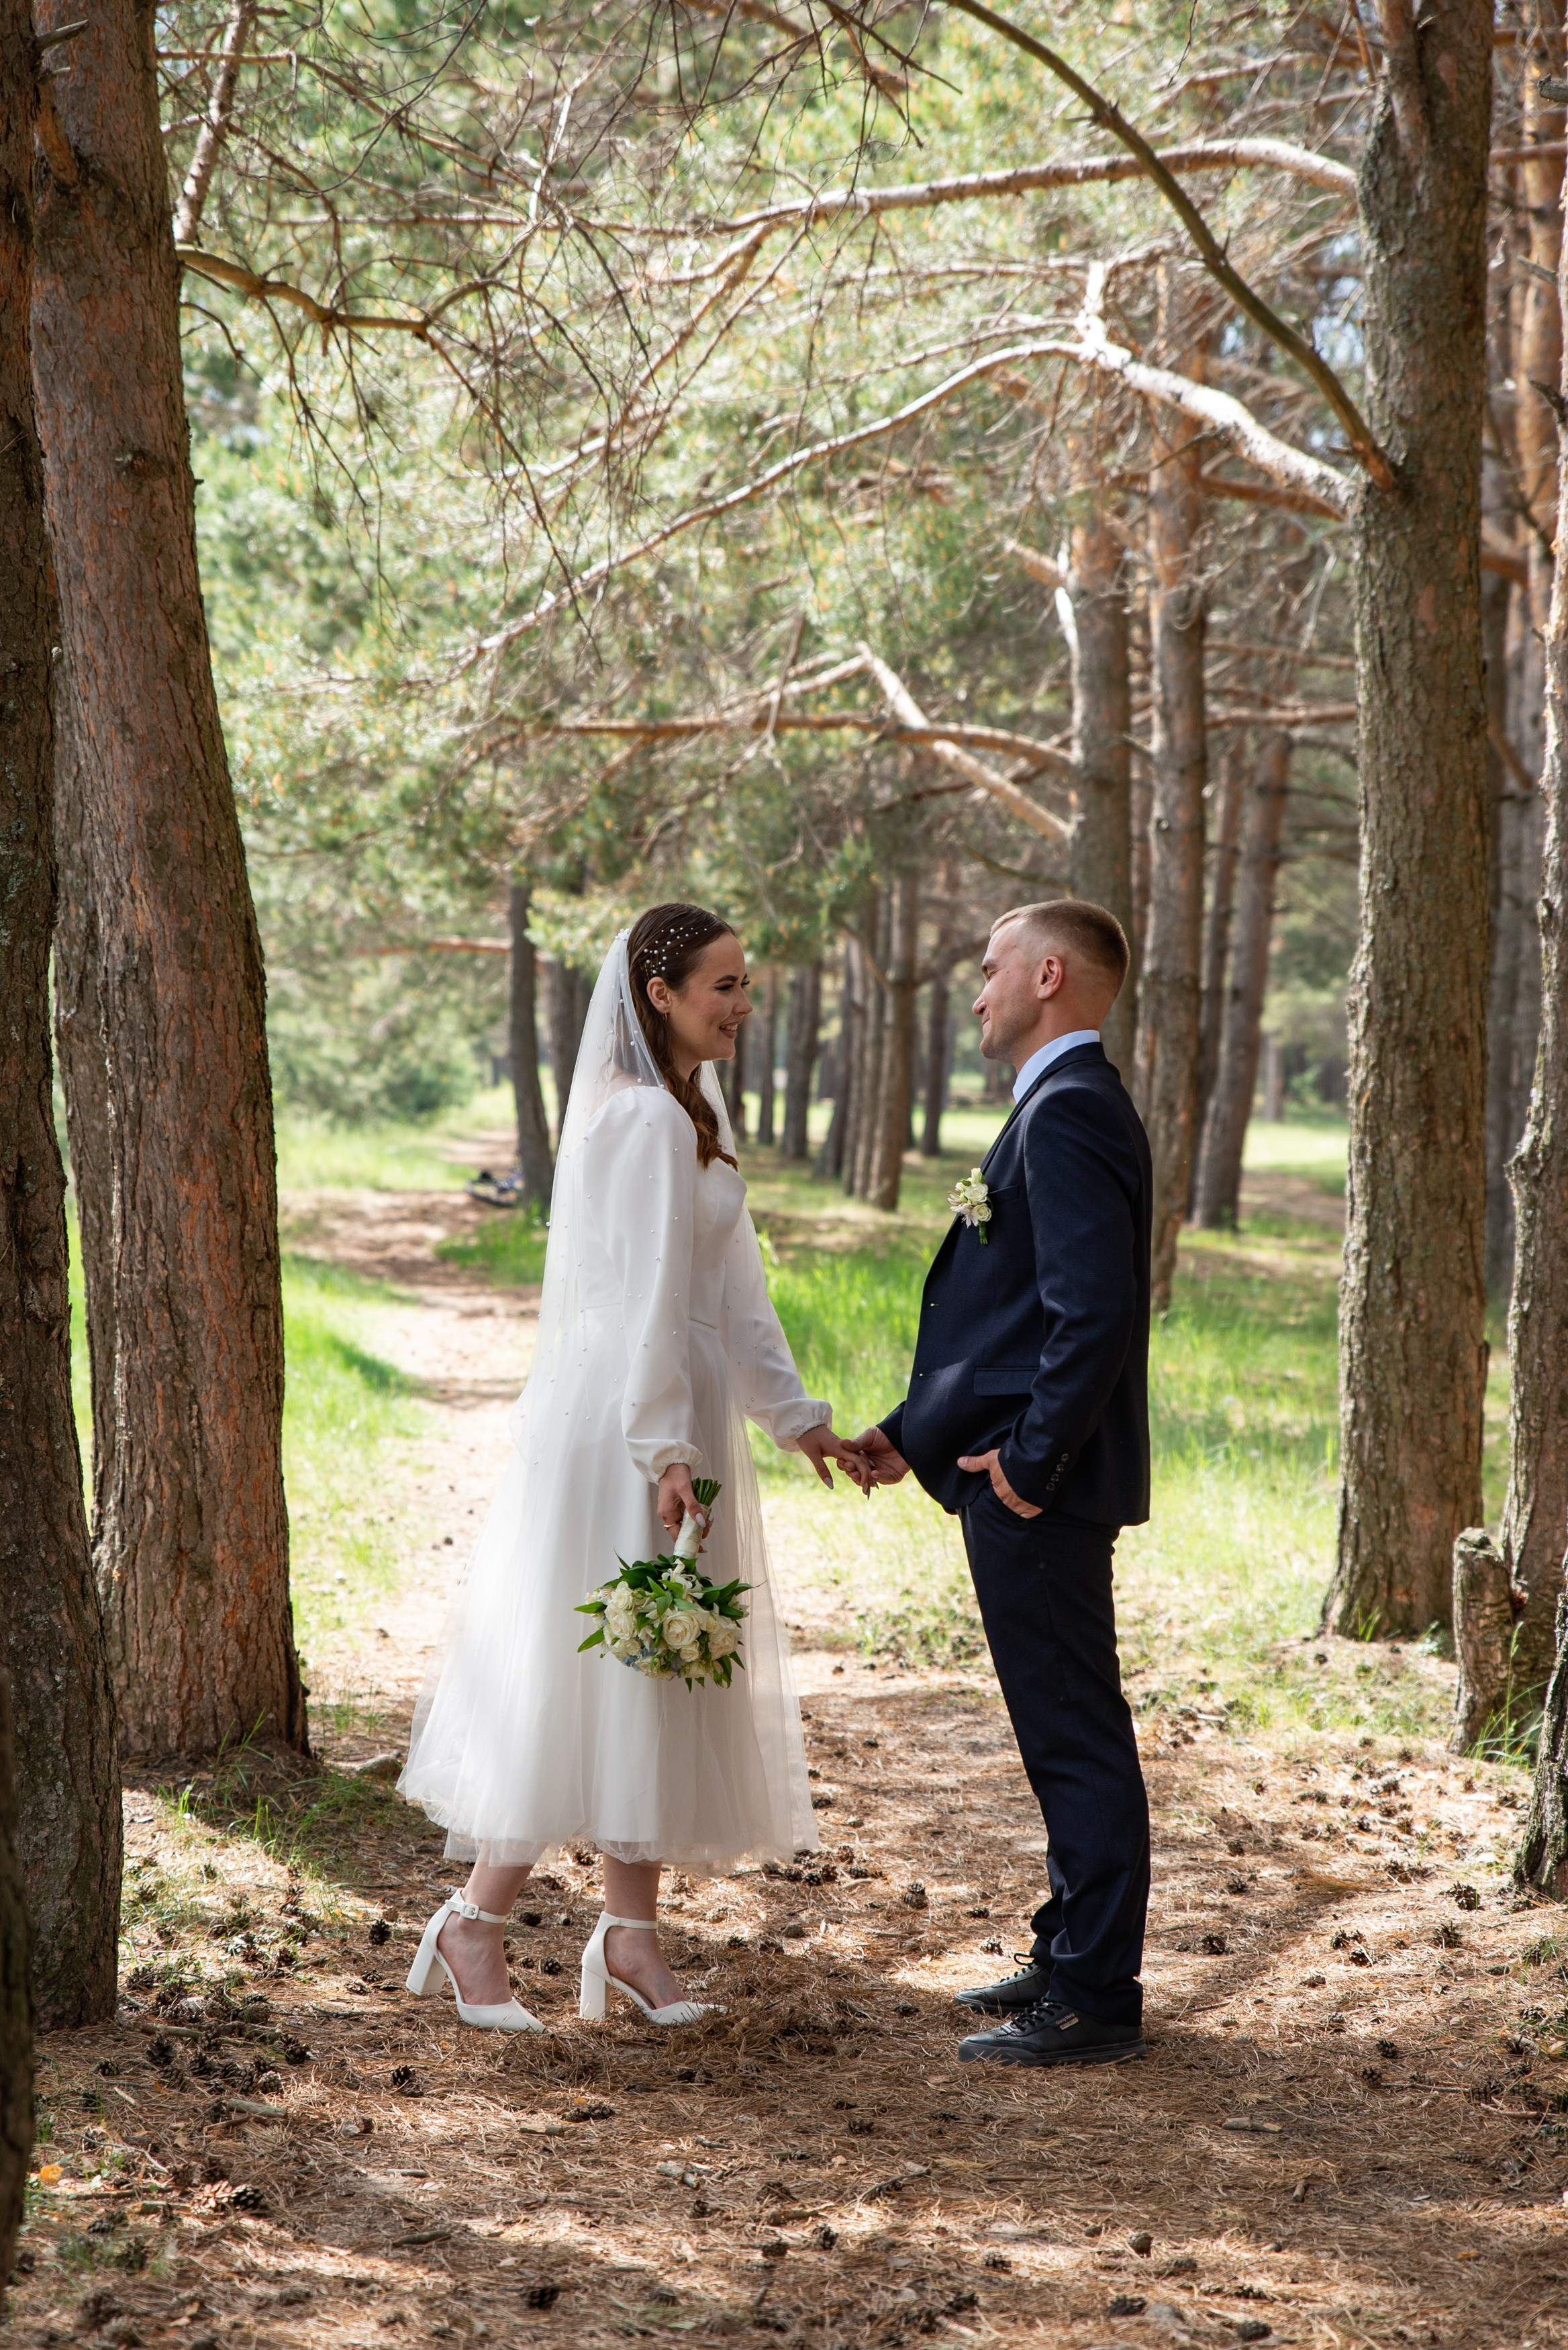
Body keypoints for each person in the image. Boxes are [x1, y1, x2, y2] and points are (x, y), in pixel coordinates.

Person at [400, 904, 867, 2032]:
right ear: (658, 994)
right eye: (723, 985)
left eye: (746, 982)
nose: (743, 1004)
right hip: (629, 1422)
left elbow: (732, 1293)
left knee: (652, 1669)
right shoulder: (648, 1123)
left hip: (672, 1408)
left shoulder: (692, 1109)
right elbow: (653, 1295)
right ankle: (474, 1921)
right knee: (593, 1669)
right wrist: (666, 1447)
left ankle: (631, 1941)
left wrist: (797, 1420)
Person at [847, 899, 1153, 2067]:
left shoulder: (1069, 1111)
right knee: (1058, 1727)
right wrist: (909, 1431)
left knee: (1073, 1733)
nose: (978, 992)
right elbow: (1018, 1319)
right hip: (1016, 1471)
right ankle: (1071, 1945)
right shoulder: (1059, 1106)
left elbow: (1095, 1316)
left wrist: (1029, 1467)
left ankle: (1093, 1998)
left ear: (1050, 974)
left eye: (992, 970)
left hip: (1042, 1488)